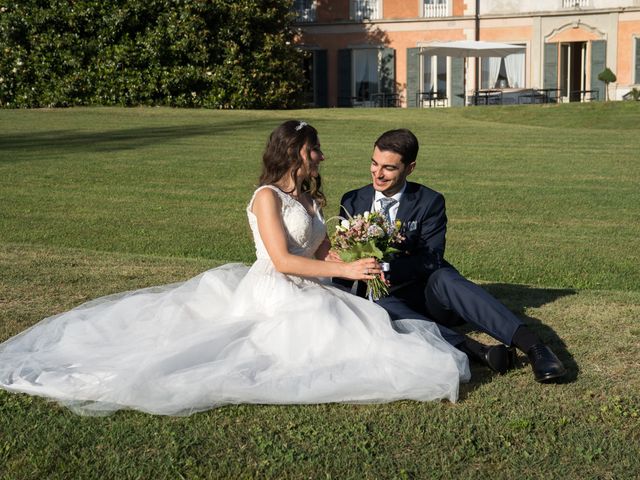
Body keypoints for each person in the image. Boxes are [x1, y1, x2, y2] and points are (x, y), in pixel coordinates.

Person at [0, 120, 469, 416]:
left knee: (359, 329)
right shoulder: (267, 197)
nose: (322, 157)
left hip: (313, 284)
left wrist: (353, 253)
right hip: (275, 287)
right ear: (295, 154)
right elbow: (283, 260)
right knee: (297, 344)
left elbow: (322, 250)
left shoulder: (309, 198)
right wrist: (347, 274)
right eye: (315, 151)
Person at [339, 128, 566, 383]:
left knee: (444, 277)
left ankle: (536, 348)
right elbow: (345, 251)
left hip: (428, 295)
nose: (377, 174)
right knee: (375, 304)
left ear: (410, 168)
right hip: (386, 299)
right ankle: (480, 352)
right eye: (374, 163)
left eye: (389, 168)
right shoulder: (353, 200)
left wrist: (386, 269)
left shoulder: (429, 201)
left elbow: (432, 257)